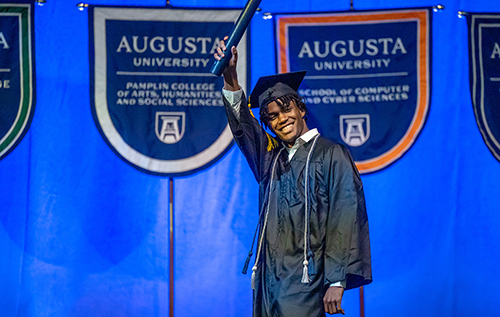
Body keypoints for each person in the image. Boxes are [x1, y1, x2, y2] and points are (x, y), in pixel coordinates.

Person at [215, 38, 372, 316]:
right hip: (267, 280)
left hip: (306, 283)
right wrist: (230, 78)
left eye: (286, 109)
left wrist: (336, 279)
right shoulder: (270, 159)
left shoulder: (331, 153)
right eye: (271, 116)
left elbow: (344, 215)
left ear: (301, 108)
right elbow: (244, 128)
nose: (281, 119)